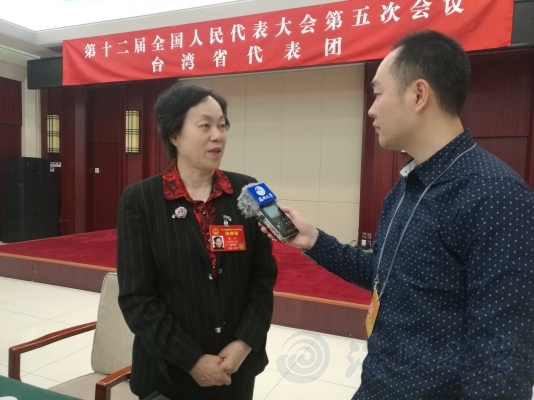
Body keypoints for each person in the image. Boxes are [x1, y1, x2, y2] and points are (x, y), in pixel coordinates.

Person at [263, 30, 534, 399]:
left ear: (418, 95)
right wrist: (313, 240)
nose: (371, 109)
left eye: (378, 93)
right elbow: (385, 276)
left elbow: (503, 359)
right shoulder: (406, 187)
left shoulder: (496, 195)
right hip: (378, 384)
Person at [117, 83, 277, 400]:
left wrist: (244, 342)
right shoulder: (141, 200)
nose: (218, 136)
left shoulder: (248, 191)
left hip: (235, 369)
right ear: (174, 135)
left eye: (222, 125)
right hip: (168, 371)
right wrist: (191, 360)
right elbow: (137, 296)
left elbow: (262, 277)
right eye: (205, 126)